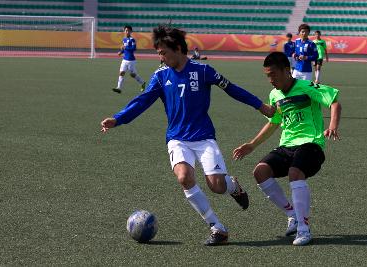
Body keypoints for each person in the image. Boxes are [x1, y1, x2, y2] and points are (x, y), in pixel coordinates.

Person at [101, 25, 275, 246]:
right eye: (159, 54)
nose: (161, 58)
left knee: (217, 186)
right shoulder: (160, 76)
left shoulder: (203, 71)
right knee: (184, 177)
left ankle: (233, 186)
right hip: (177, 138)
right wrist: (118, 119)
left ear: (177, 49)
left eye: (163, 52)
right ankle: (217, 227)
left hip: (203, 137)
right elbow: (142, 101)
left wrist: (260, 106)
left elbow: (232, 89)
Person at [233, 52, 341, 246]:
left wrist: (332, 125)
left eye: (273, 74)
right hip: (287, 146)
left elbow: (333, 101)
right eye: (267, 75)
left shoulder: (306, 87)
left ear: (286, 70)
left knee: (295, 172)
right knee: (260, 171)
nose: (270, 80)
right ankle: (292, 214)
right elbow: (274, 123)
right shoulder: (275, 95)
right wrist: (252, 144)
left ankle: (304, 229)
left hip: (311, 144)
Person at [112, 25, 146, 94]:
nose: (127, 32)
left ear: (131, 31)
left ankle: (142, 83)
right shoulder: (124, 39)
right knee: (121, 73)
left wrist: (125, 48)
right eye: (126, 30)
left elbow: (134, 49)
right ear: (124, 31)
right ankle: (118, 88)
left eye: (128, 30)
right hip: (124, 60)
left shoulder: (132, 39)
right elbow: (125, 49)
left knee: (133, 75)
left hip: (131, 60)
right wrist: (121, 52)